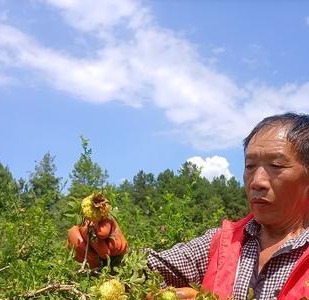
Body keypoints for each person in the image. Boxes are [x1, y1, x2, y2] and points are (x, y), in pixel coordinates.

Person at [68, 113, 309, 300]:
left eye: (276, 166)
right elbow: (146, 274)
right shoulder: (223, 243)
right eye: (249, 166)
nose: (257, 181)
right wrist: (109, 253)